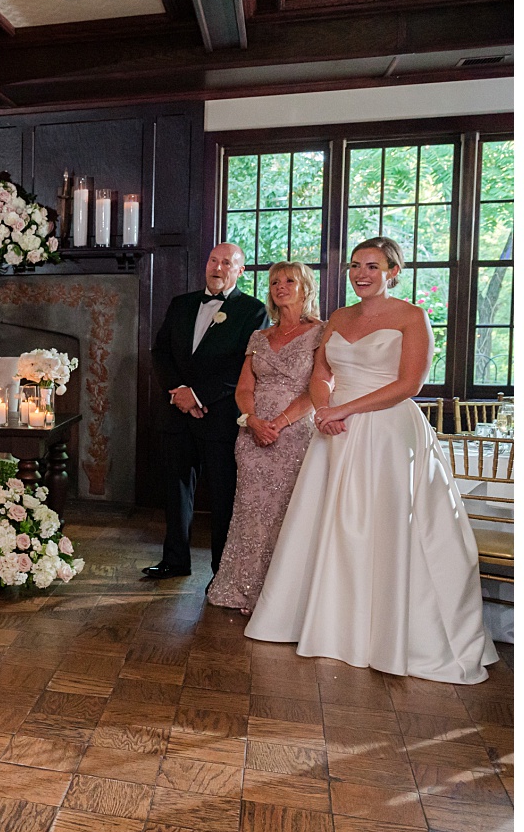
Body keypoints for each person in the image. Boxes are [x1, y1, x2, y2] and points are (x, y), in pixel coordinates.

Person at [246, 238, 497, 683]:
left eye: (373, 267)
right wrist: (324, 407)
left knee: (380, 527)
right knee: (328, 525)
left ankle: (385, 634)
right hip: (334, 434)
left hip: (386, 432)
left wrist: (344, 409)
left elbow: (409, 384)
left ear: (393, 272)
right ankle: (326, 625)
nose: (362, 274)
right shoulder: (339, 318)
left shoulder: (412, 317)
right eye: (356, 265)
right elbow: (321, 373)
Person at [143, 243, 269, 580]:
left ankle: (221, 569)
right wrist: (180, 394)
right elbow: (161, 352)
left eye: (227, 262)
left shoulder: (253, 311)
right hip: (175, 414)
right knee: (175, 491)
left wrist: (198, 396)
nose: (217, 267)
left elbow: (240, 367)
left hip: (219, 417)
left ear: (240, 271)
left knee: (223, 496)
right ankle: (174, 560)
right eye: (213, 260)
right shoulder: (181, 303)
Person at [206, 262, 322, 615]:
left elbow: (319, 390)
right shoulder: (260, 337)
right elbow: (244, 387)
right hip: (252, 436)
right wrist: (252, 420)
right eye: (274, 282)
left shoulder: (322, 333)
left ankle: (281, 596)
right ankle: (242, 588)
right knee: (250, 513)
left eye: (289, 281)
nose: (280, 286)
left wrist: (280, 422)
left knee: (288, 512)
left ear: (306, 287)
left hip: (297, 434)